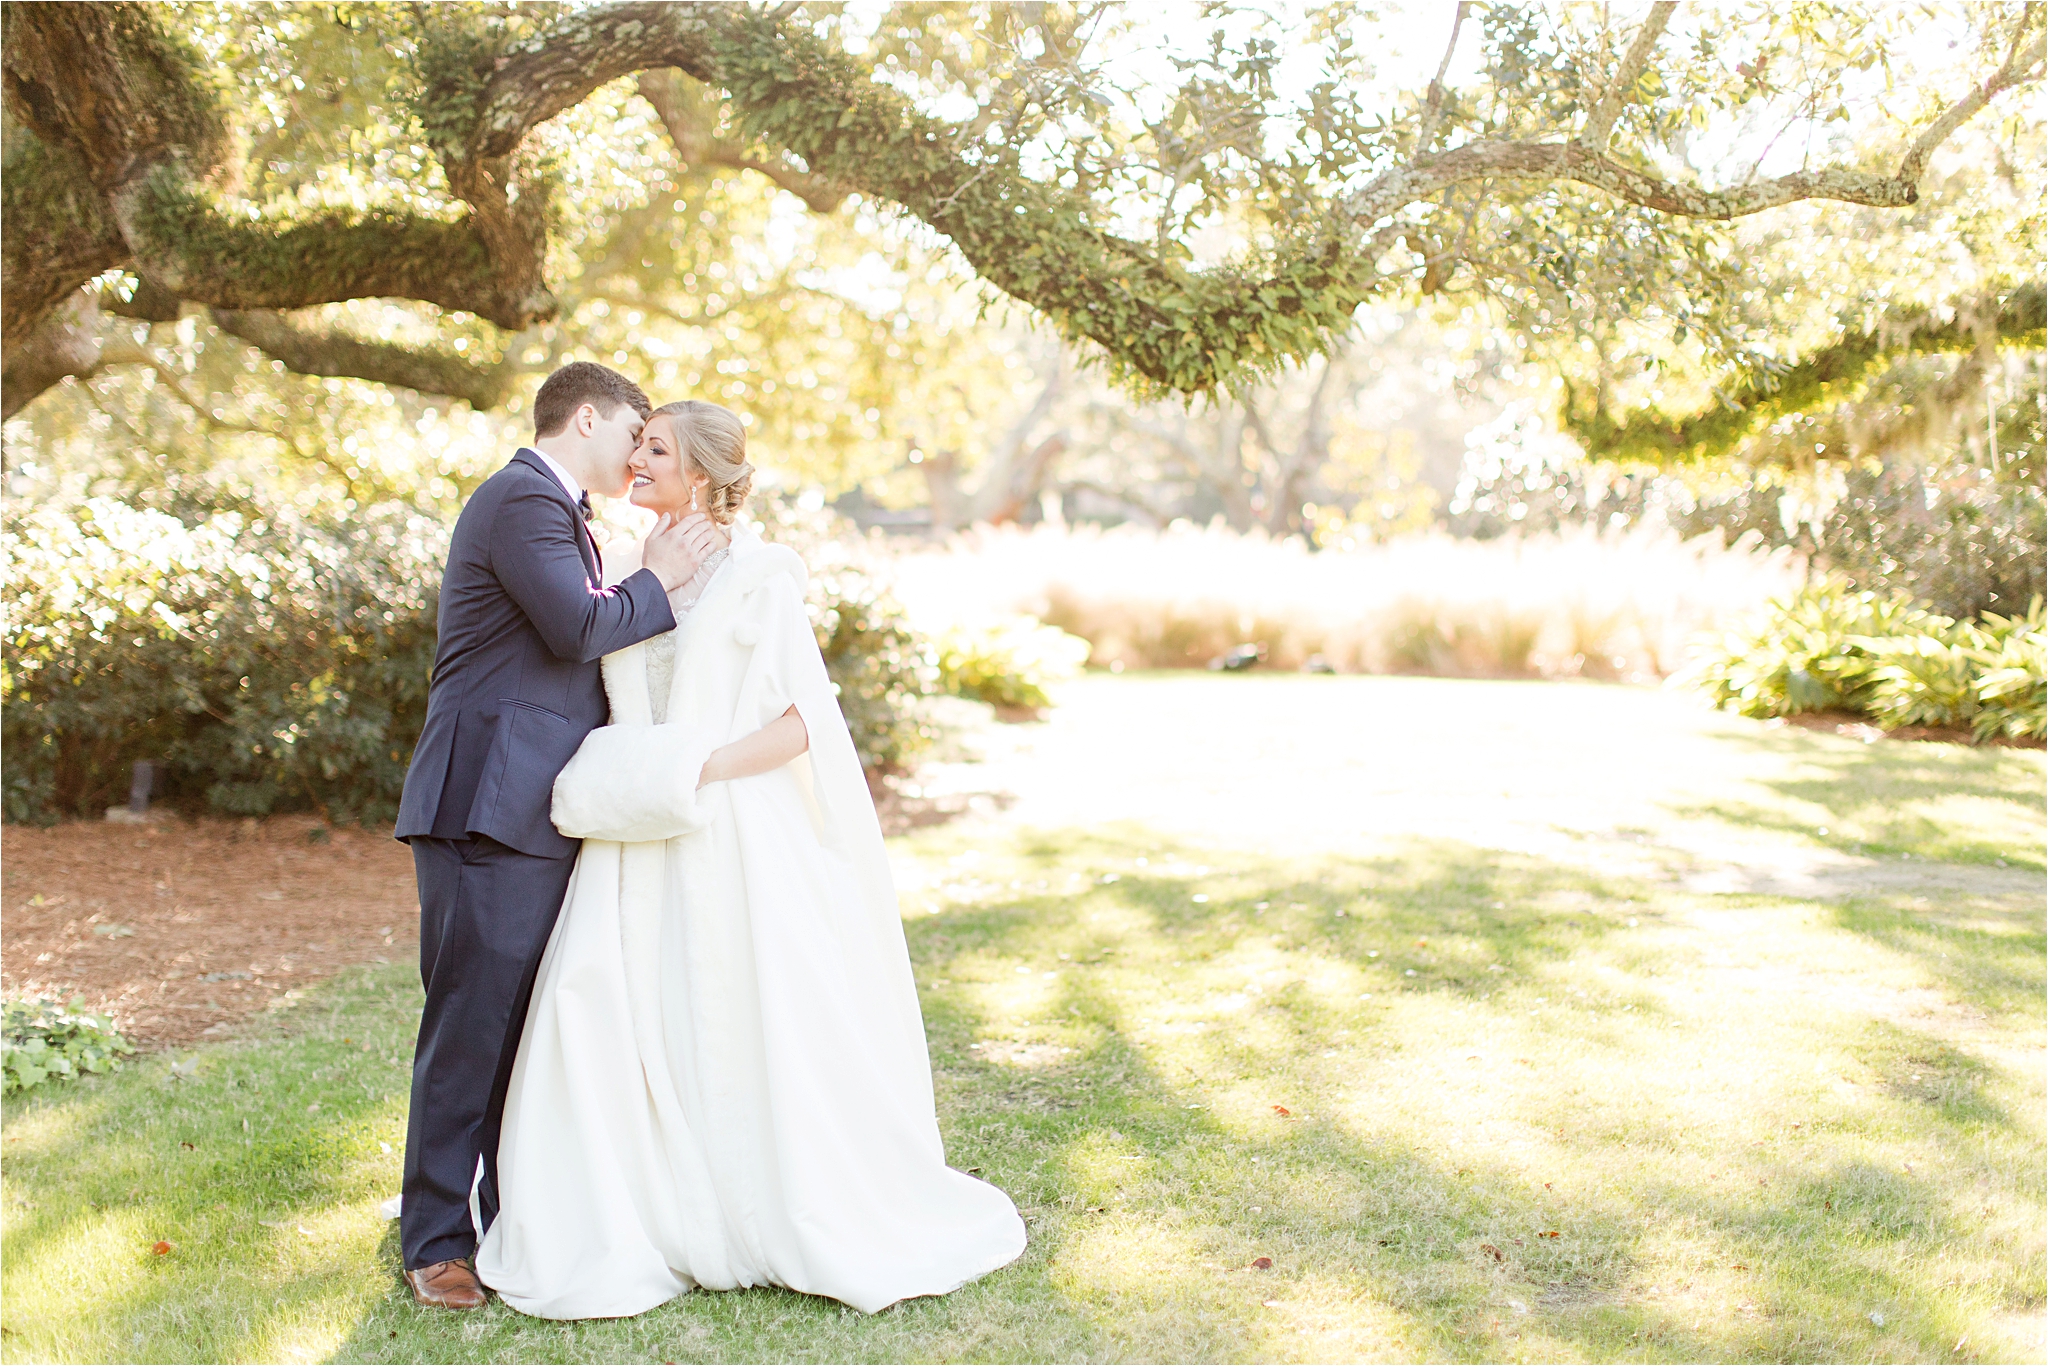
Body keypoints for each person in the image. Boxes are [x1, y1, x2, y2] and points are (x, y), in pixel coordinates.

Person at [473, 399, 1026, 1317]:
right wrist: (642, 783)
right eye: (637, 443)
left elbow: (807, 723)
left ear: (703, 474)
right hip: (629, 846)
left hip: (728, 835)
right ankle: (632, 1210)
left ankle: (765, 1205)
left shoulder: (762, 575)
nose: (636, 459)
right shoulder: (619, 571)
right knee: (600, 1012)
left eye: (656, 449)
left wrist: (693, 773)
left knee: (738, 1012)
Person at [391, 363, 726, 1310]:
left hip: (533, 808)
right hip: (483, 807)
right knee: (467, 1030)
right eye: (633, 433)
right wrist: (658, 577)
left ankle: (511, 1224)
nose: (638, 452)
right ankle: (434, 1244)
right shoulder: (521, 500)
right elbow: (581, 628)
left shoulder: (561, 511)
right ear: (588, 418)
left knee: (519, 1031)